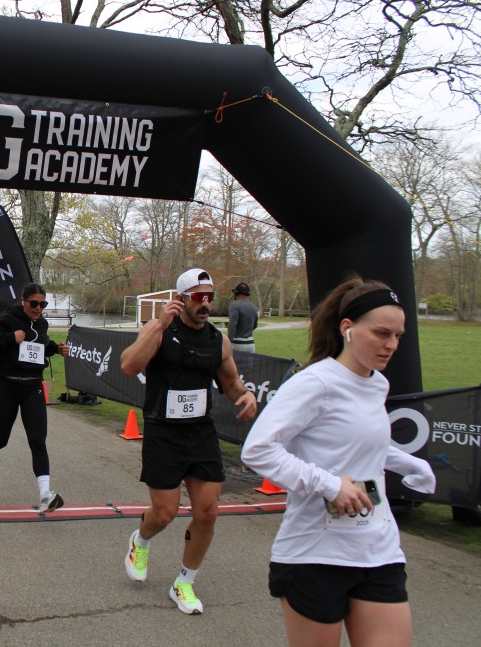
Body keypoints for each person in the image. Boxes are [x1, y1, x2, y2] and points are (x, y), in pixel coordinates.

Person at [241, 276, 435, 646]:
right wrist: (330, 485)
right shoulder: (315, 383)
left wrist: (410, 464)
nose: (392, 345)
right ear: (347, 328)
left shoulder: (377, 384)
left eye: (398, 336)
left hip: (378, 549)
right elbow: (259, 450)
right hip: (315, 553)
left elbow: (357, 444)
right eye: (381, 333)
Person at [118, 267, 257, 615]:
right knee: (165, 513)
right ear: (181, 299)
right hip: (163, 432)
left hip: (200, 432)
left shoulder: (217, 340)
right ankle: (141, 541)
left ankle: (184, 582)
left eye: (210, 296)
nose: (205, 303)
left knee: (207, 512)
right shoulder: (159, 329)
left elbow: (231, 382)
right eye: (198, 296)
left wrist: (246, 394)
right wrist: (159, 325)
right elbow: (128, 366)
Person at [0, 282, 70, 512]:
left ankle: (45, 495)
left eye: (43, 304)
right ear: (23, 301)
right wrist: (10, 337)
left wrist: (56, 349)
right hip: (8, 386)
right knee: (1, 439)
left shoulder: (42, 323)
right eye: (34, 304)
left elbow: (40, 345)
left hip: (33, 387)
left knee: (38, 440)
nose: (38, 308)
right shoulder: (8, 319)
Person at [228, 282, 259, 353]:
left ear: (236, 293)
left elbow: (232, 326)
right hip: (251, 344)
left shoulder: (234, 306)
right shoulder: (253, 306)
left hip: (237, 344)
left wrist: (228, 342)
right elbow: (255, 326)